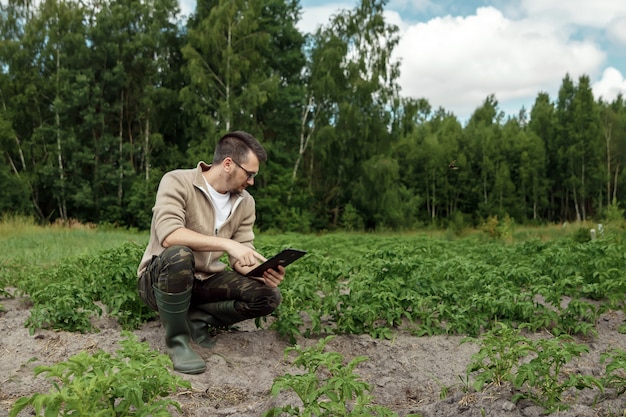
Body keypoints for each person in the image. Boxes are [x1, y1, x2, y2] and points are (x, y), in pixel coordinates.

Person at [137, 131, 285, 374]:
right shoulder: (177, 181)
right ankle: (177, 341)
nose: (251, 182)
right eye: (250, 174)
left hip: (204, 282)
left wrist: (260, 271)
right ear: (228, 164)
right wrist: (226, 244)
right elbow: (169, 234)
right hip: (158, 281)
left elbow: (242, 251)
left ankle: (196, 320)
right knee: (179, 254)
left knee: (268, 295)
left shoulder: (245, 202)